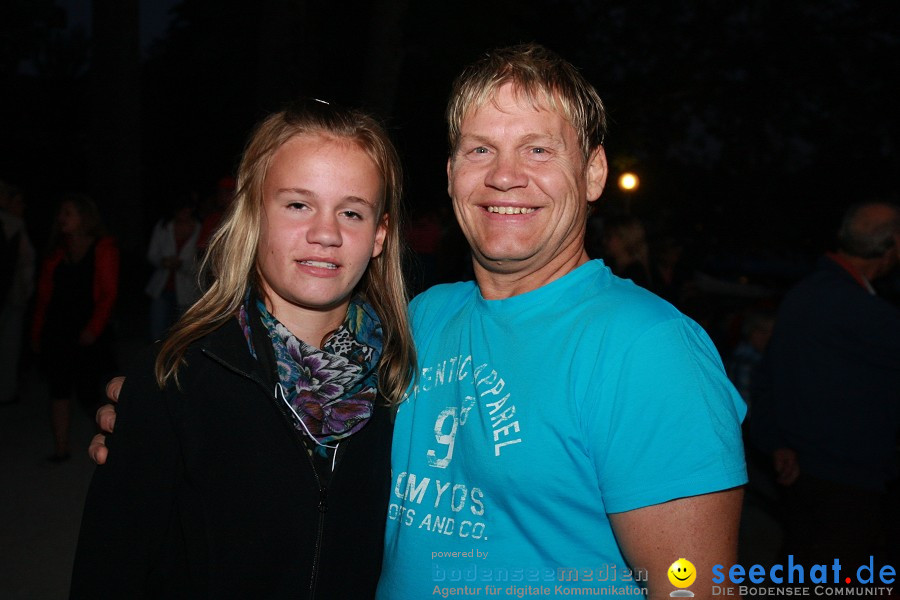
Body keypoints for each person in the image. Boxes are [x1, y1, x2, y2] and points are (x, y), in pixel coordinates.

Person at [93, 45, 747, 598]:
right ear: (452, 174)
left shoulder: (650, 351)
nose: (506, 177)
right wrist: (157, 418)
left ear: (595, 172)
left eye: (539, 150)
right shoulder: (417, 322)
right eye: (480, 149)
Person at [70, 100, 416, 598]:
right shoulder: (176, 375)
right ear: (254, 212)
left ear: (379, 234)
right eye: (298, 204)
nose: (325, 233)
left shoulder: (403, 381)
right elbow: (108, 570)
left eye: (352, 211)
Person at [751, 201, 900, 568]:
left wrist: (776, 443)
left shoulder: (804, 295)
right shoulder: (865, 313)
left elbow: (769, 377)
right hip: (845, 478)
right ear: (891, 245)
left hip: (803, 469)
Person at [31, 194, 118, 461]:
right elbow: (44, 297)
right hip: (58, 329)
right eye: (61, 213)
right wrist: (36, 333)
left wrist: (94, 328)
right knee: (58, 389)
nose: (61, 218)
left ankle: (108, 447)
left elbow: (108, 294)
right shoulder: (57, 250)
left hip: (90, 331)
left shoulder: (103, 247)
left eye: (68, 213)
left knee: (91, 392)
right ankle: (61, 448)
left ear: (84, 217)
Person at [144, 198, 202, 340]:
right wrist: (163, 261)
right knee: (157, 335)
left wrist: (182, 264)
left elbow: (202, 261)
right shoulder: (164, 226)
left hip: (188, 291)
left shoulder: (200, 228)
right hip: (162, 288)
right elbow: (152, 254)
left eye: (188, 208)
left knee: (183, 337)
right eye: (182, 208)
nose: (185, 212)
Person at [0, 181, 35, 405]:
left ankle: (7, 390)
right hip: (8, 295)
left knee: (10, 345)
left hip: (15, 296)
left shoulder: (14, 224)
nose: (22, 206)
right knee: (7, 345)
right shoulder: (9, 224)